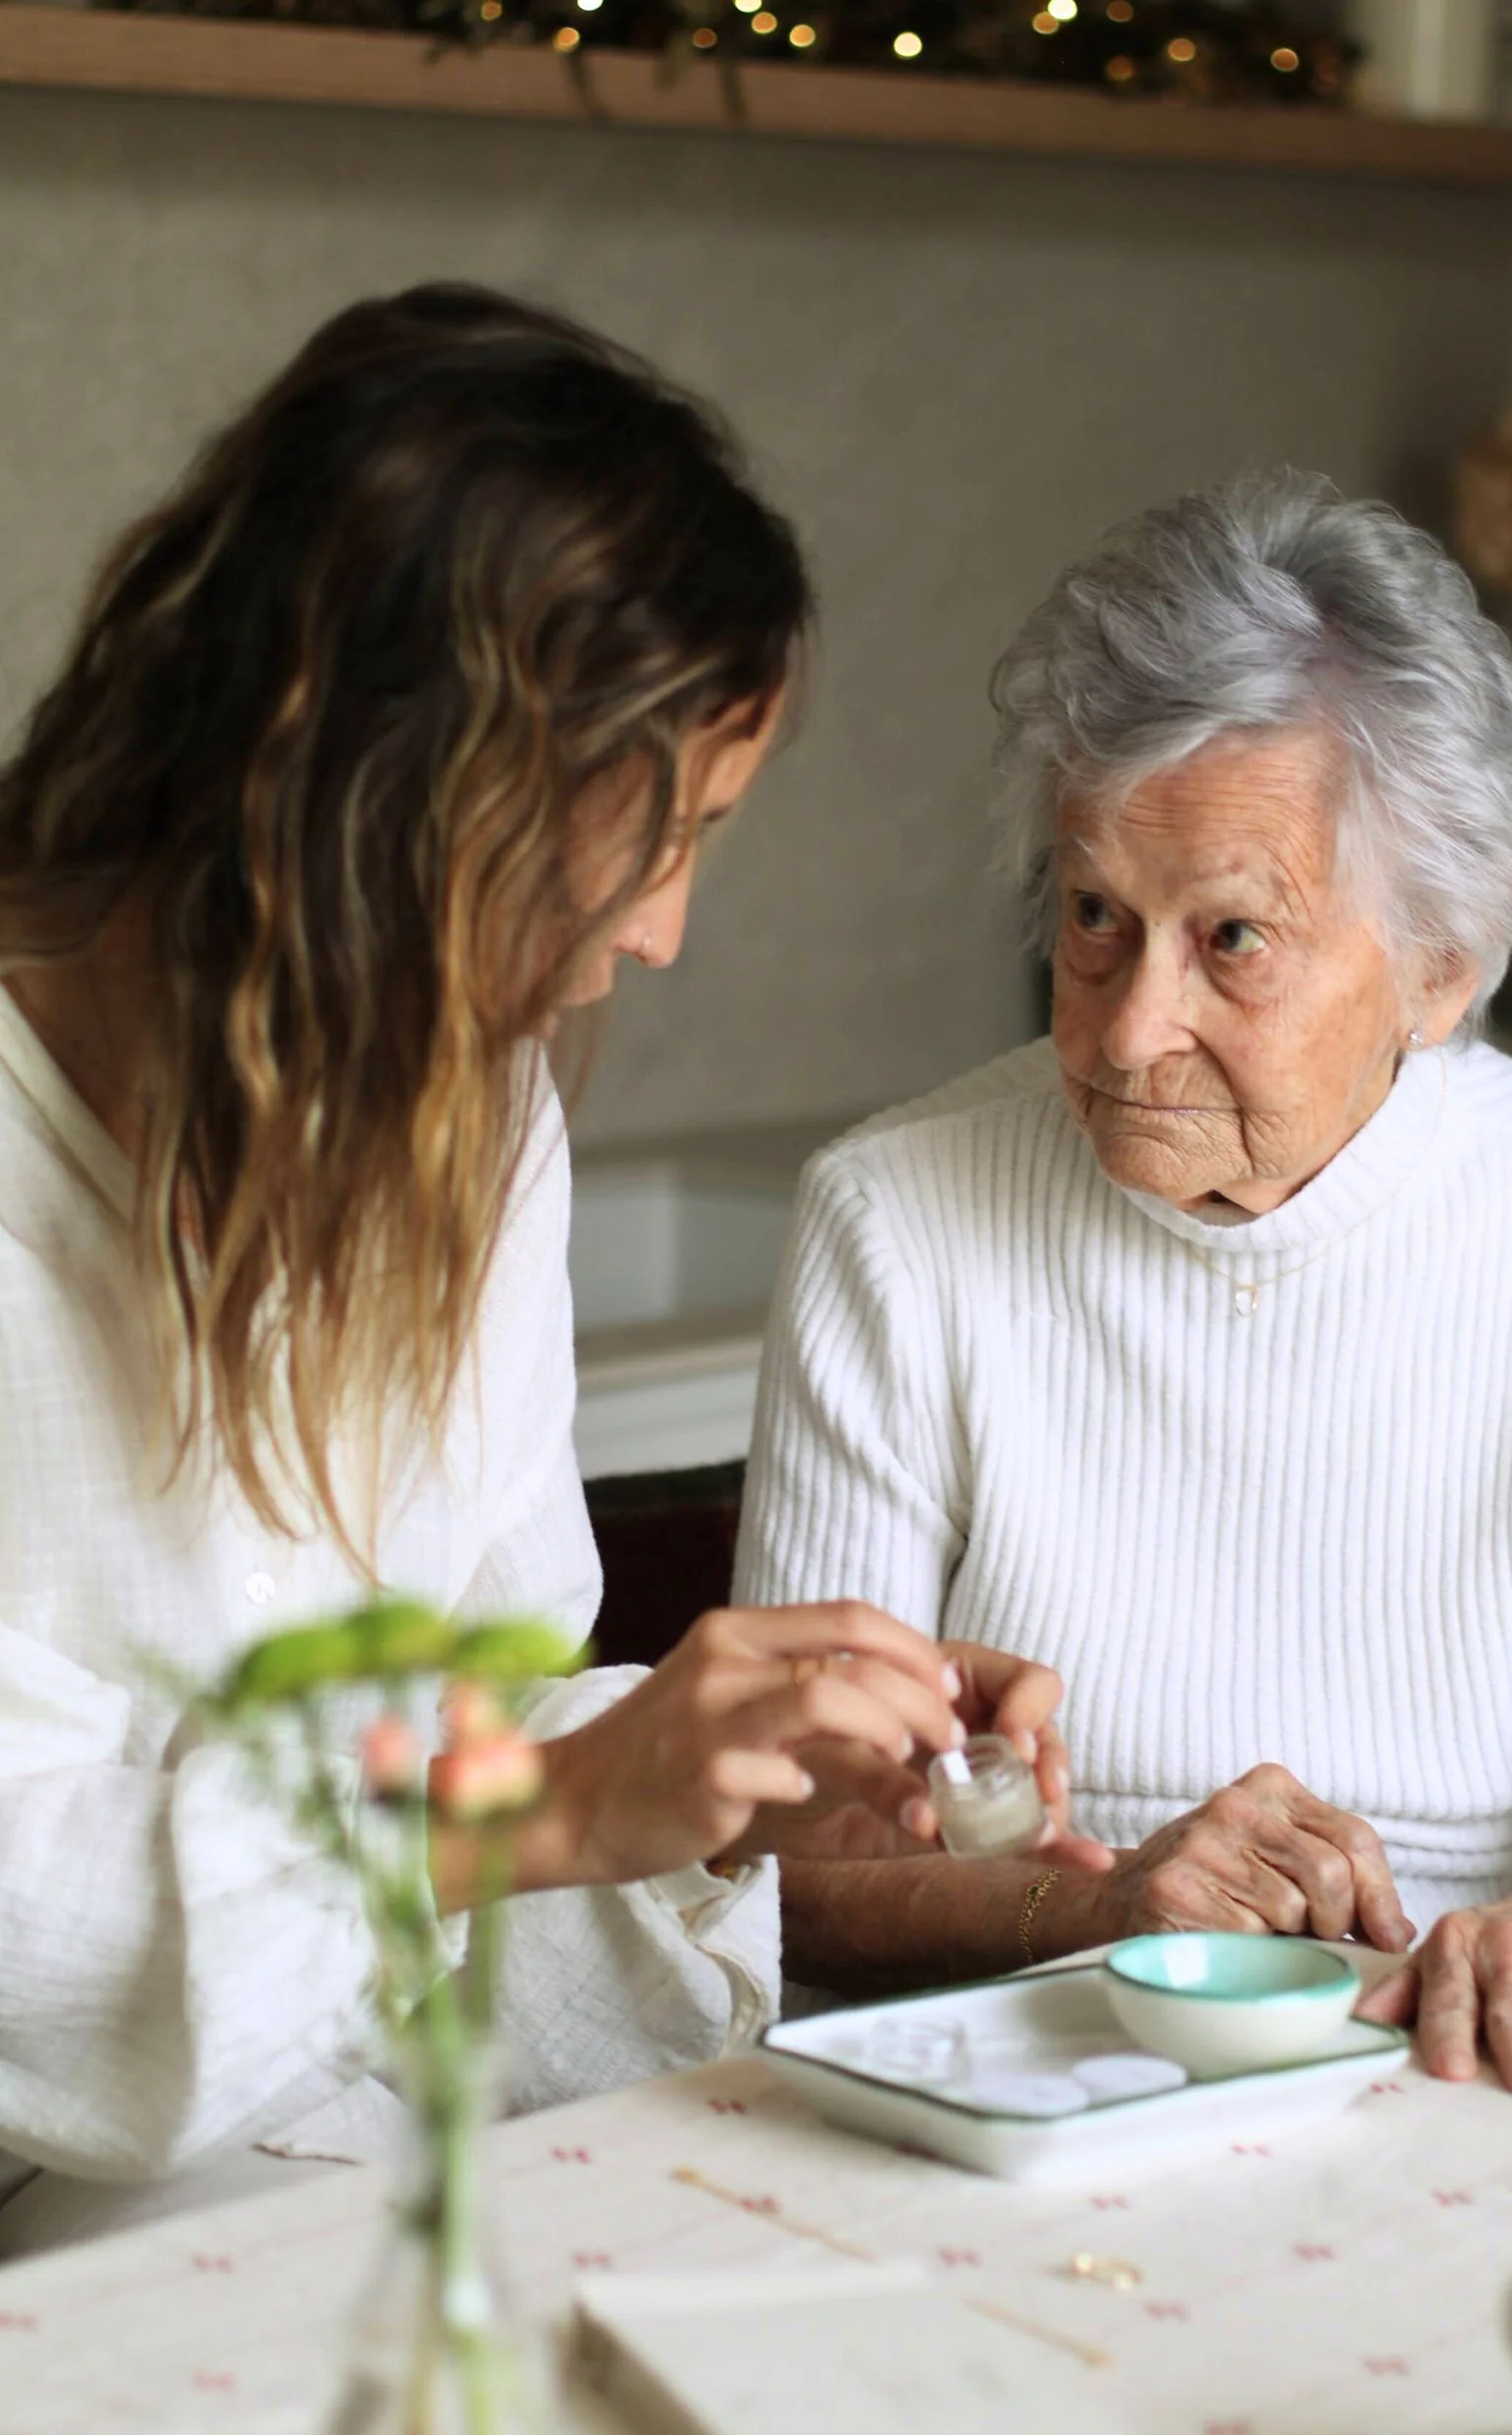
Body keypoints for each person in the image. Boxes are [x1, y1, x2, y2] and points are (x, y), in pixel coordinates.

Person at [0, 285, 1089, 2256]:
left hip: (342, 2197)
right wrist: (549, 1801)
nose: (666, 930)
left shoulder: (477, 1127)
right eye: (652, 834)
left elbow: (454, 1738)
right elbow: (33, 1938)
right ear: (409, 794)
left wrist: (720, 1782)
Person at [735, 474, 1512, 2101]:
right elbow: (783, 1873)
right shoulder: (895, 1219)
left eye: (1232, 938)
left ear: (1443, 968)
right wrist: (1098, 1905)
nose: (1121, 1030)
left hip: (1457, 2083)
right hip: (1018, 2094)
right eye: (1096, 917)